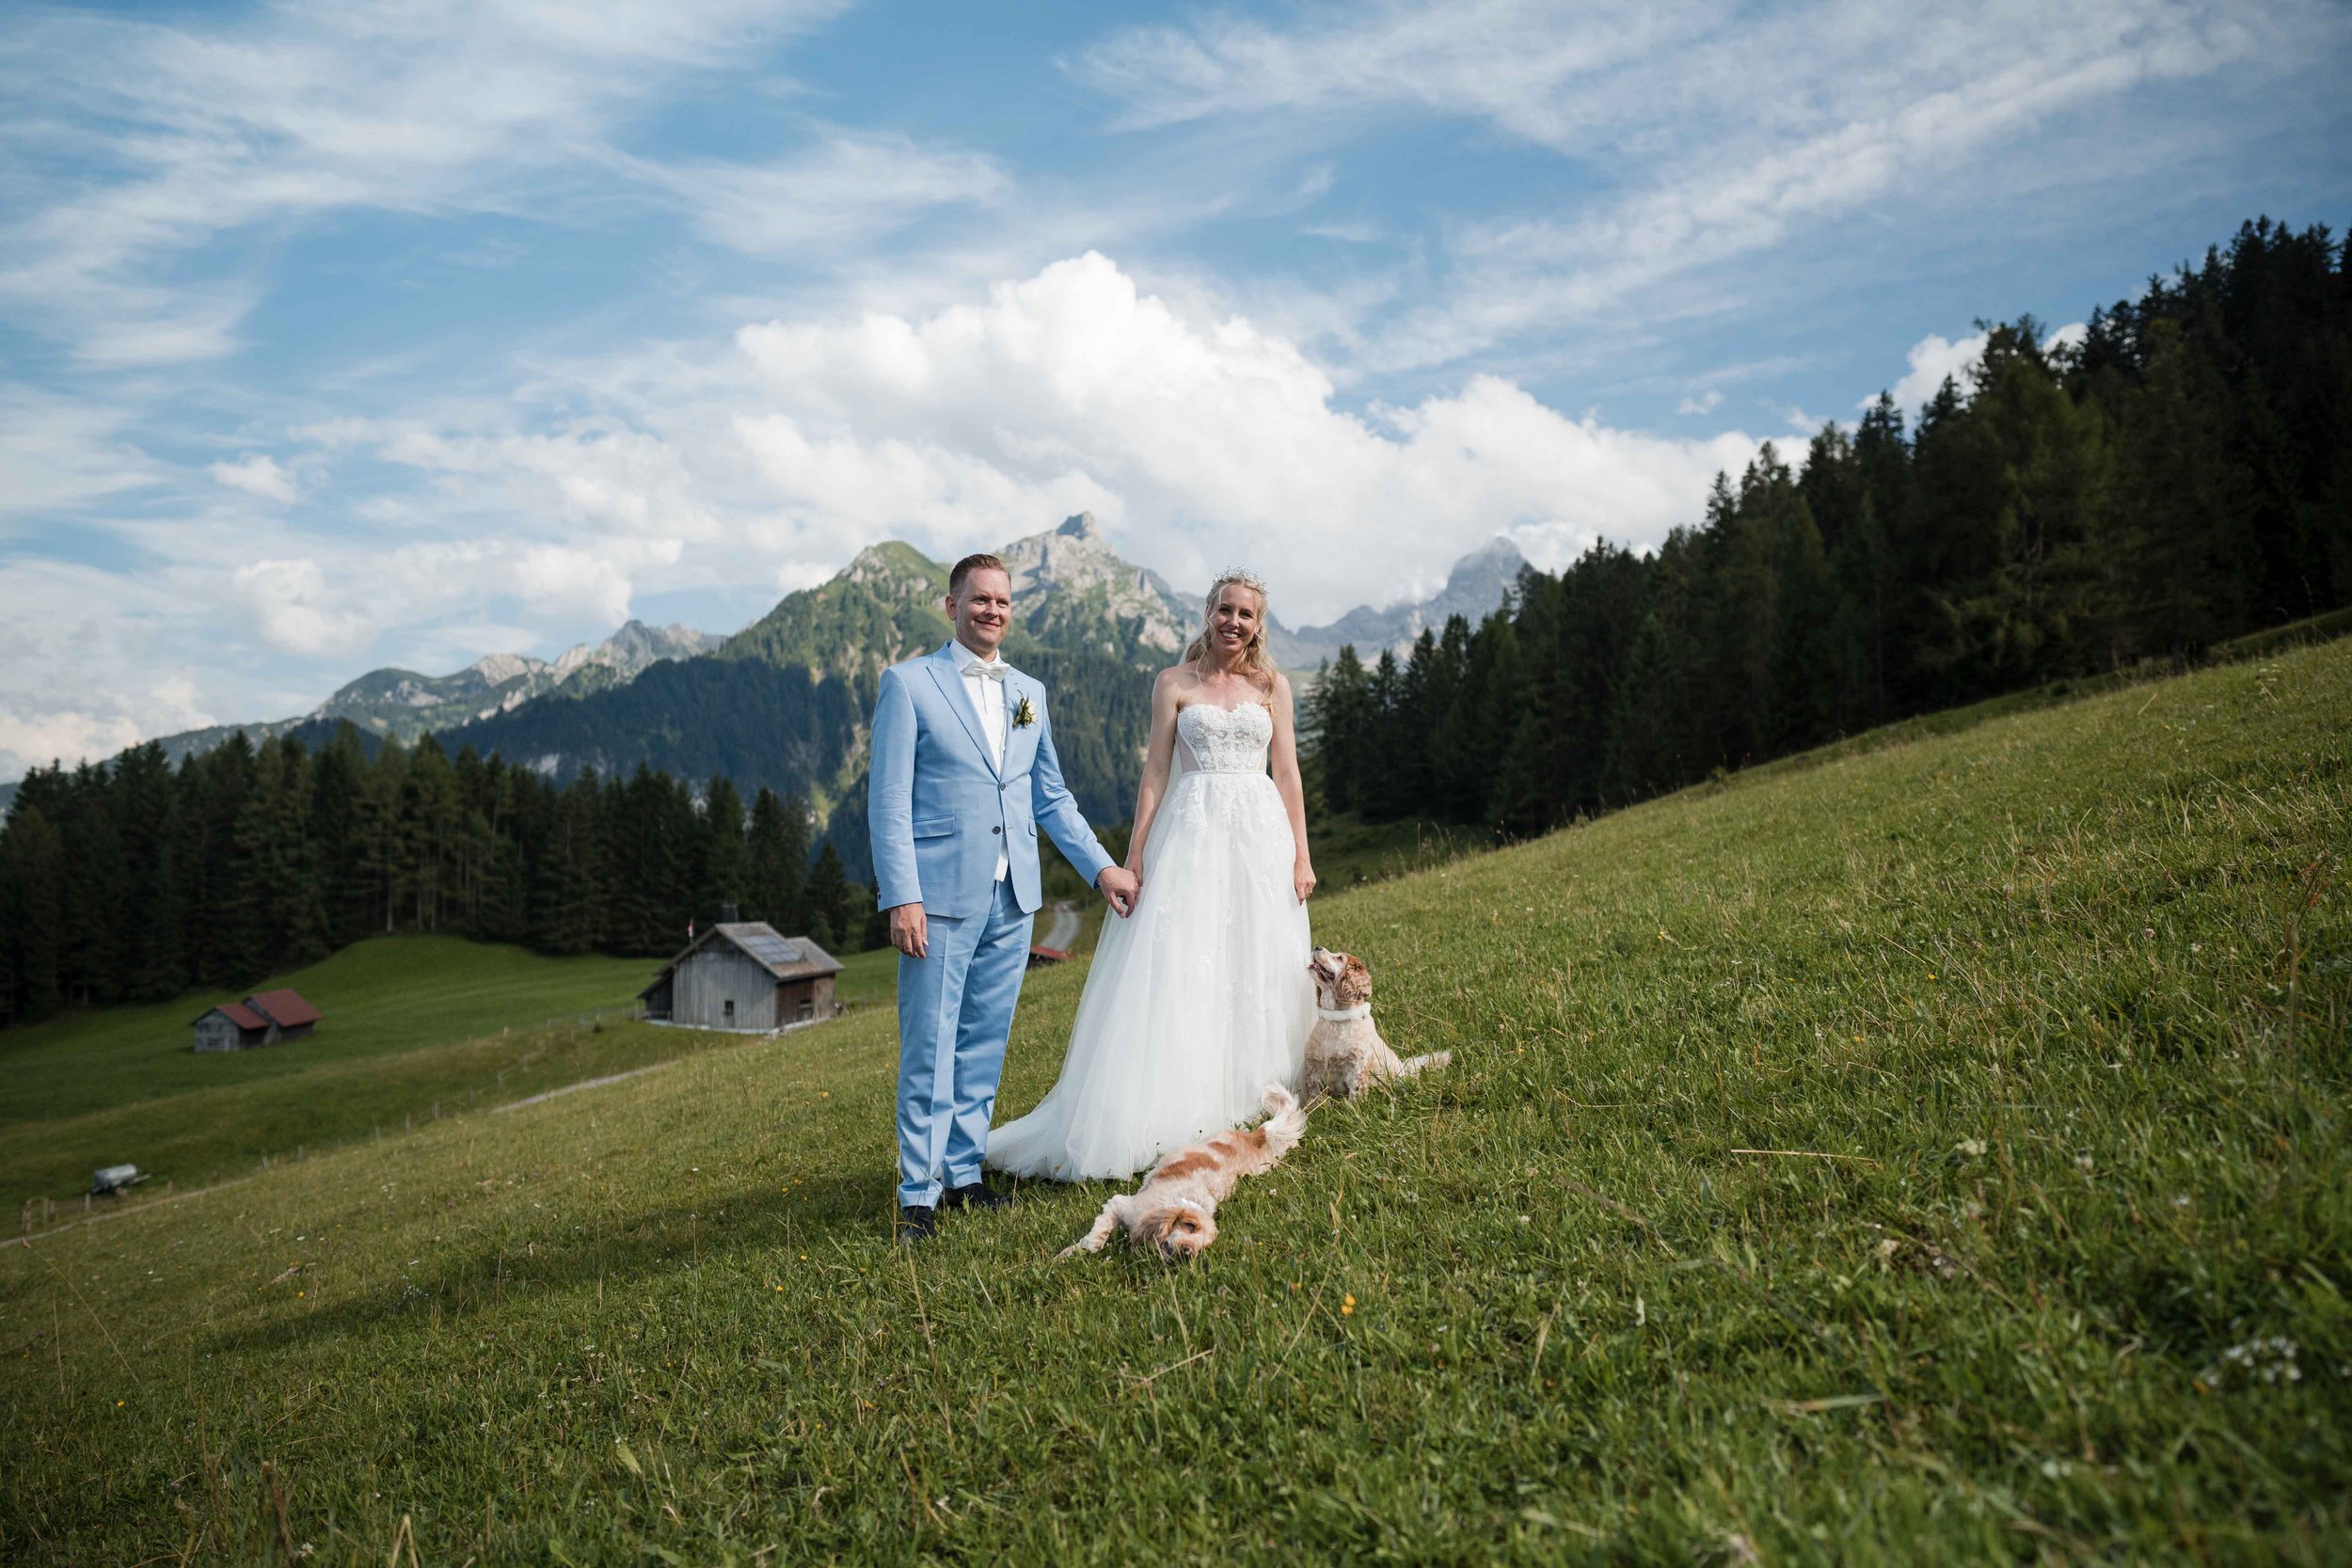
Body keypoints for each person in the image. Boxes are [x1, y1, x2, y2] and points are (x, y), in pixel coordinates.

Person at [988, 568, 1317, 1182]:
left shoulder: (1273, 686)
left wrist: (1301, 854)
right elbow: (1155, 775)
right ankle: (1182, 1101)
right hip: (1191, 830)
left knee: (1258, 954)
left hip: (1260, 833)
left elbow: (1289, 772)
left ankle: (1258, 1089)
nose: (1234, 622)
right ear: (1208, 613)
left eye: (1246, 614)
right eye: (1225, 610)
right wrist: (1134, 856)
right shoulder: (1173, 682)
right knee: (1185, 959)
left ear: (1258, 624)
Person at [867, 553, 1140, 1243]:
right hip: (939, 897)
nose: (992, 610)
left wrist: (1102, 868)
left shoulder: (1029, 692)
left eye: (1003, 601)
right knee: (930, 1046)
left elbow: (1049, 794)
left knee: (985, 1043)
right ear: (951, 603)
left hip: (1013, 896)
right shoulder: (908, 684)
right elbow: (888, 801)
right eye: (979, 599)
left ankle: (963, 1173)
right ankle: (917, 1195)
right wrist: (903, 896)